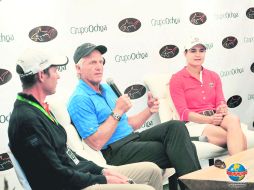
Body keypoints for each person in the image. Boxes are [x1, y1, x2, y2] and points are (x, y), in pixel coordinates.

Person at [8, 48, 163, 190]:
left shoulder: (40, 109)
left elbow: (69, 157)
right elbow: (55, 176)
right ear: (42, 75)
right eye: (55, 70)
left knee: (152, 171)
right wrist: (102, 180)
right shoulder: (26, 120)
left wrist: (102, 170)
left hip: (79, 178)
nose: (59, 75)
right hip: (71, 186)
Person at [67, 42, 201, 190]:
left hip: (132, 139)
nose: (99, 66)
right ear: (78, 68)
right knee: (185, 149)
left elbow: (126, 124)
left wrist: (149, 111)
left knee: (176, 126)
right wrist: (118, 111)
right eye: (92, 62)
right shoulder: (79, 99)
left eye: (101, 61)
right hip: (113, 152)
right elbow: (95, 142)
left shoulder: (105, 88)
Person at [169, 37, 247, 155]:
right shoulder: (177, 79)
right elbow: (184, 113)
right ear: (185, 53)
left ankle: (238, 170)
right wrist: (209, 120)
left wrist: (222, 107)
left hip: (215, 117)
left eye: (201, 50)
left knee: (234, 120)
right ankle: (238, 170)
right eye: (193, 50)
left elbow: (220, 100)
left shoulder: (213, 76)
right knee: (237, 137)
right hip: (194, 122)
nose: (198, 54)